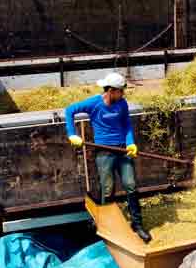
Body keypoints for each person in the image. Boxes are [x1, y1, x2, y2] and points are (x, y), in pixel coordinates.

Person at [65, 72, 151, 243]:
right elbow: (69, 110)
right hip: (104, 152)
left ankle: (137, 224)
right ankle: (108, 227)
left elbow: (127, 124)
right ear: (111, 90)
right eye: (120, 91)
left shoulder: (122, 104)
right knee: (107, 189)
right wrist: (72, 134)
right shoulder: (94, 103)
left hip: (122, 150)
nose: (123, 94)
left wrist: (130, 143)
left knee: (131, 185)